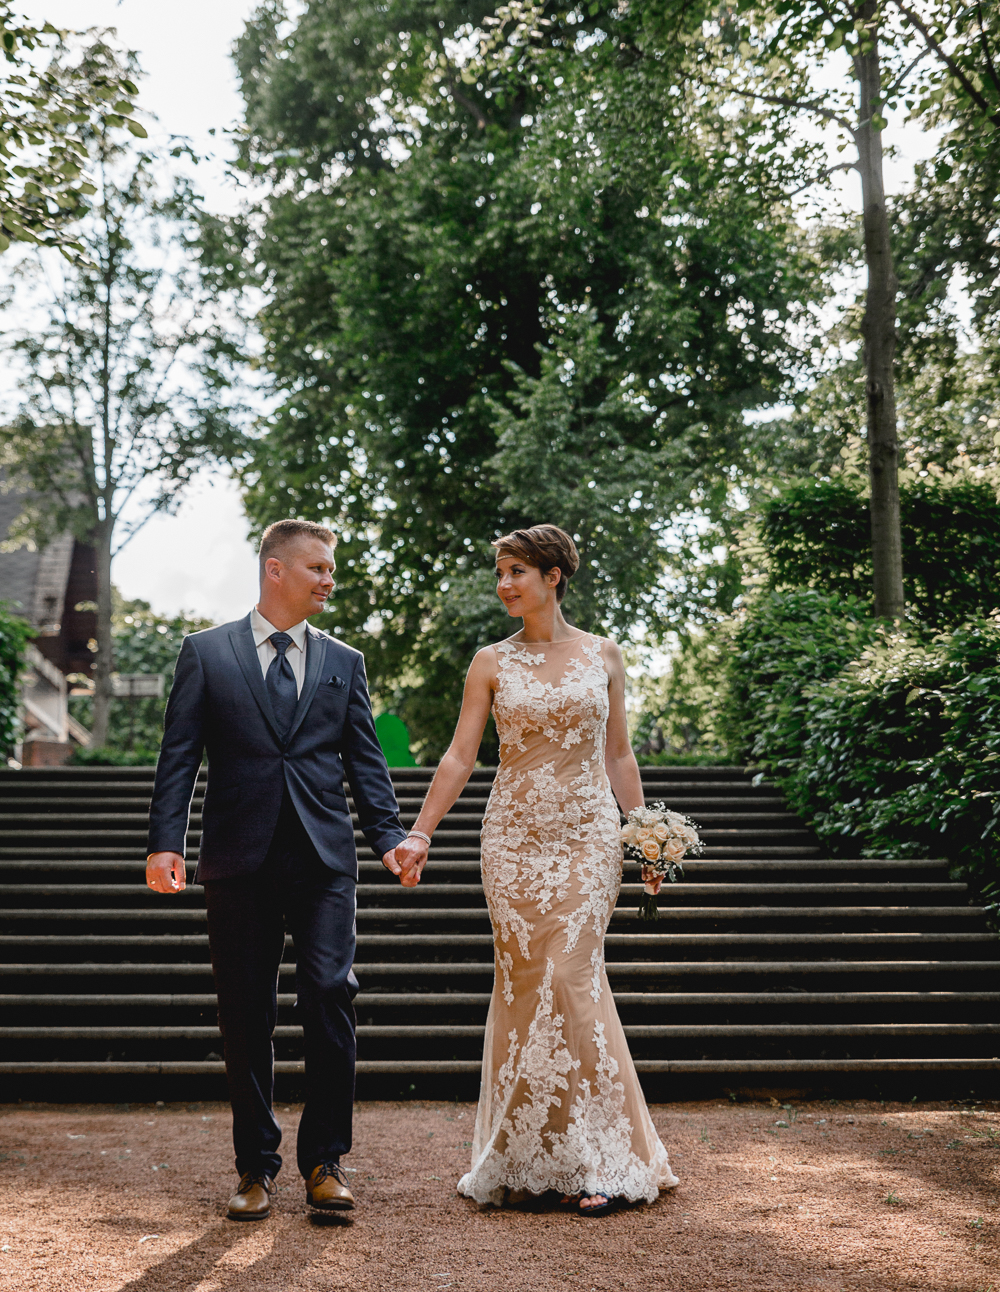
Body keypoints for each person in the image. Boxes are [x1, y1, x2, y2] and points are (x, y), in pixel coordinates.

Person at [145, 519, 426, 1221]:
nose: (329, 580)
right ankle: (254, 1167)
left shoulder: (344, 661)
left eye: (331, 570)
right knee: (245, 1014)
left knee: (331, 992)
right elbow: (180, 754)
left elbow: (365, 760)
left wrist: (388, 835)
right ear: (276, 569)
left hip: (325, 858)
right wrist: (164, 841)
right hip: (237, 858)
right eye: (320, 568)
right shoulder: (205, 654)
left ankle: (325, 1162)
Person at [395, 524, 678, 1215]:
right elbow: (461, 756)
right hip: (513, 839)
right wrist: (420, 833)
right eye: (500, 572)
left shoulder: (603, 655)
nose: (504, 584)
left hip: (586, 838)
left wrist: (644, 837)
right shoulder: (489, 662)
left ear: (554, 576)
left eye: (516, 571)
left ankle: (607, 1160)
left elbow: (618, 755)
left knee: (571, 977)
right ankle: (530, 1156)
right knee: (525, 988)